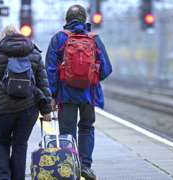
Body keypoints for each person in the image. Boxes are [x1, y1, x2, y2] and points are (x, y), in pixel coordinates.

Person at [45, 4, 112, 180]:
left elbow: (50, 70)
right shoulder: (94, 39)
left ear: (67, 20)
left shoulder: (59, 38)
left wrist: (51, 95)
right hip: (88, 95)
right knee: (87, 128)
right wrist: (91, 79)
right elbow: (106, 69)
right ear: (85, 19)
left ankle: (68, 167)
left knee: (67, 131)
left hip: (66, 95)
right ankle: (85, 166)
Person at [0, 25, 52, 180]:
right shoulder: (34, 52)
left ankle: (3, 177)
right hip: (28, 107)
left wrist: (0, 88)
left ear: (3, 37)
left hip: (2, 108)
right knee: (20, 144)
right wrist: (46, 109)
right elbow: (43, 83)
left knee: (2, 143)